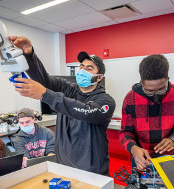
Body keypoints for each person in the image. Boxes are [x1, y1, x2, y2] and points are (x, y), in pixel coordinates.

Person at [9, 36, 115, 175]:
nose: (83, 70)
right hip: (63, 166)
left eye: (89, 68)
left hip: (90, 170)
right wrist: (29, 55)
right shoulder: (68, 89)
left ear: (99, 77)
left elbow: (85, 111)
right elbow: (44, 79)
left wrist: (46, 94)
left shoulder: (105, 101)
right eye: (81, 67)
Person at [119, 54, 174, 171]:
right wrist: (133, 149)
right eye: (149, 91)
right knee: (141, 188)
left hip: (170, 156)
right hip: (142, 157)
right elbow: (125, 132)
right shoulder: (130, 99)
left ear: (168, 80)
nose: (155, 96)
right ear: (141, 82)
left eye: (161, 90)